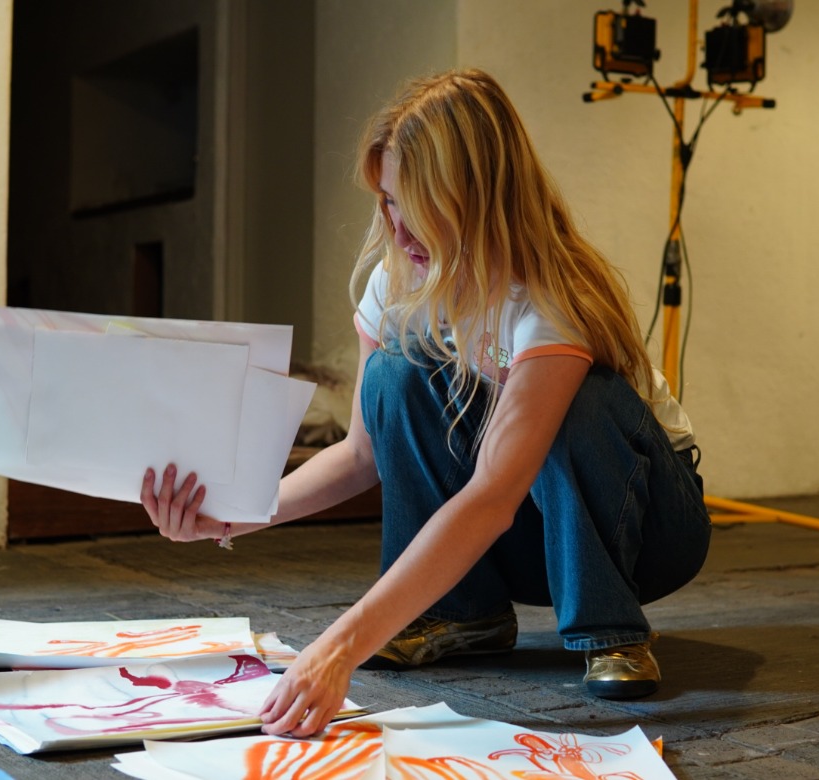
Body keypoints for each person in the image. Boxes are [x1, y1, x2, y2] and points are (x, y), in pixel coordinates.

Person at [140, 68, 710, 738]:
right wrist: (233, 515)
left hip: (646, 530)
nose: (398, 225)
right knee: (393, 378)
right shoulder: (396, 282)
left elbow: (492, 496)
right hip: (530, 533)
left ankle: (607, 629)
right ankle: (460, 614)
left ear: (477, 196)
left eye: (417, 201)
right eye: (387, 201)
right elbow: (359, 456)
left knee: (575, 407)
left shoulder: (551, 300)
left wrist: (342, 646)